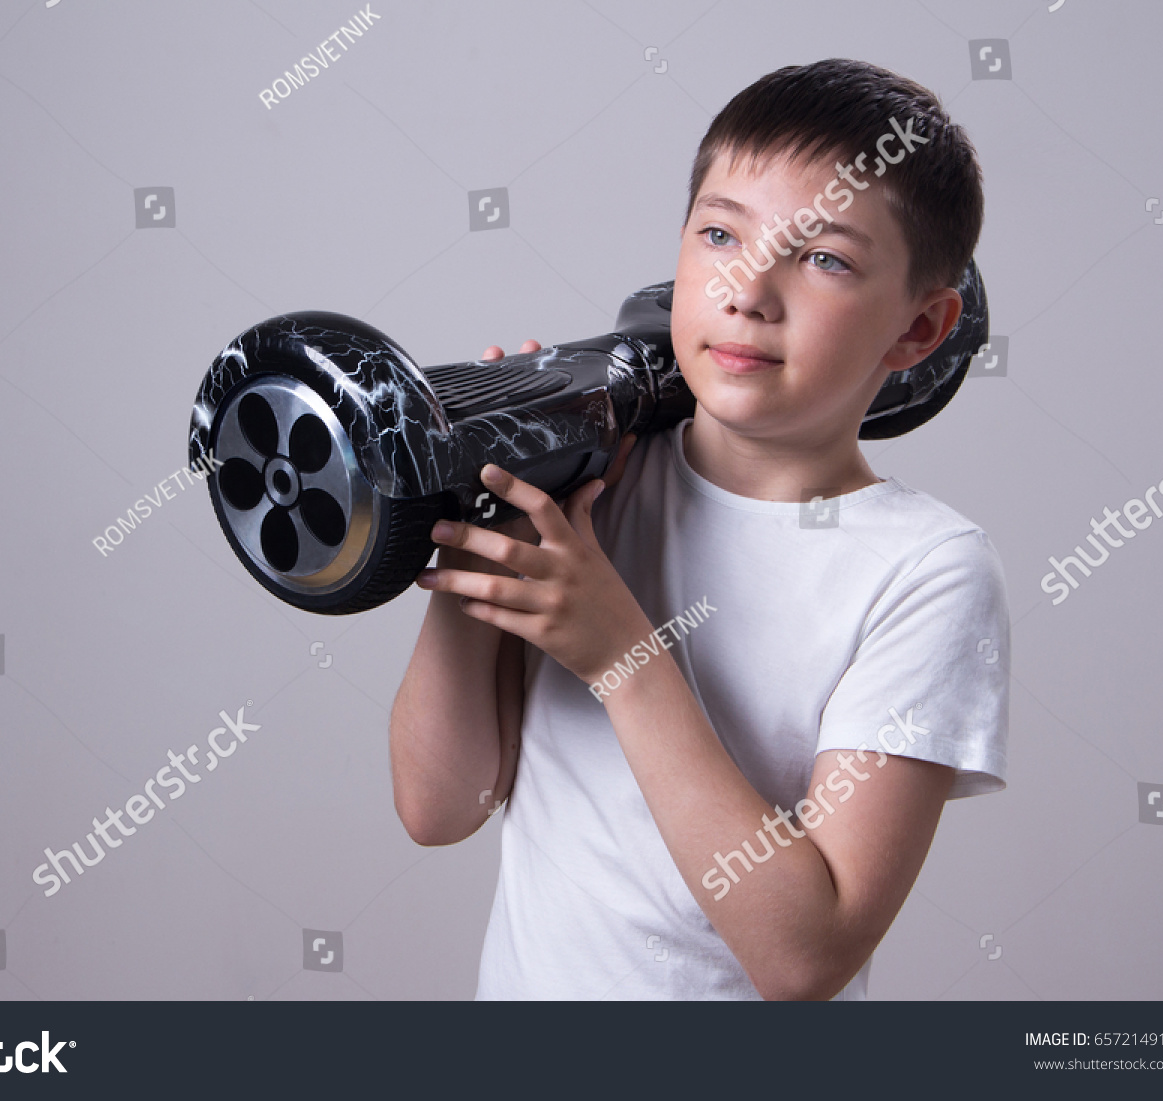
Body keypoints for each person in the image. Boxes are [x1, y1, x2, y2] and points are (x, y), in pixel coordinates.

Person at [388, 58, 1008, 1000]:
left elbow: (805, 956)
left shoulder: (926, 572)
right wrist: (486, 504)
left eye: (825, 258)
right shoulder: (606, 485)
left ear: (918, 331)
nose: (749, 289)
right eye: (721, 233)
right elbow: (439, 808)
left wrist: (623, 656)